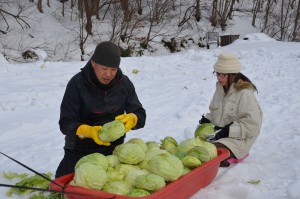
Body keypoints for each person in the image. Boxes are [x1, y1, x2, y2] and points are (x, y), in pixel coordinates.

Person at [55, 41, 146, 178]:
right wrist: (88, 131)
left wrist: (133, 119)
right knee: (62, 184)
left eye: (113, 69)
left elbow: (141, 115)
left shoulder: (124, 83)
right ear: (93, 63)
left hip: (114, 150)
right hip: (80, 150)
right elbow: (65, 123)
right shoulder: (77, 84)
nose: (108, 74)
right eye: (104, 68)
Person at [198, 53, 263, 167]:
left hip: (238, 140)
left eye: (222, 75)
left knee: (206, 154)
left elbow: (253, 126)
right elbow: (216, 112)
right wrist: (208, 120)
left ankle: (235, 155)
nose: (218, 78)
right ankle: (224, 155)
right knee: (196, 148)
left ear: (232, 75)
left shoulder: (245, 93)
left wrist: (228, 131)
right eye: (217, 74)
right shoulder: (220, 88)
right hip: (221, 135)